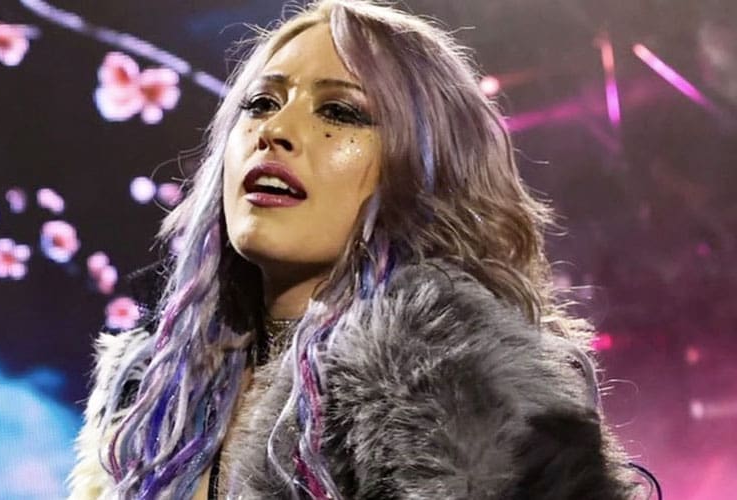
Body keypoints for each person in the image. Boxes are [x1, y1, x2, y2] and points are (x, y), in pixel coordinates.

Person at [68, 0, 649, 498]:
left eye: (341, 112)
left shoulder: (451, 381)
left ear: (423, 172)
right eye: (261, 103)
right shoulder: (150, 398)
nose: (275, 131)